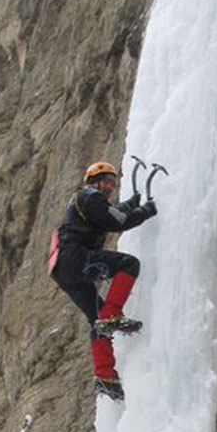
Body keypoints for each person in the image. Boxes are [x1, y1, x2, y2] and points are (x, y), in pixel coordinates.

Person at [49, 161, 157, 401]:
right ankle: (113, 314)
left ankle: (105, 375)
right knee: (129, 264)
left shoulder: (87, 202)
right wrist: (148, 210)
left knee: (96, 320)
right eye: (107, 181)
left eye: (113, 182)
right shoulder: (88, 196)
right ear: (94, 181)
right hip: (74, 258)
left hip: (63, 269)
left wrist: (133, 202)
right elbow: (116, 221)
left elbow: (111, 214)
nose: (110, 186)